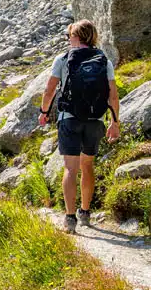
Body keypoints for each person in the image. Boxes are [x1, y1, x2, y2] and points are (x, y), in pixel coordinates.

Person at [38, 20, 121, 233]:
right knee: (87, 166)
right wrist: (114, 123)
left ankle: (70, 218)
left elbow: (49, 90)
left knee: (70, 168)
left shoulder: (64, 59)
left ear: (76, 36)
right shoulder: (103, 60)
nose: (68, 39)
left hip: (69, 118)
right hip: (95, 120)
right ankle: (85, 212)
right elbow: (113, 94)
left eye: (69, 36)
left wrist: (44, 112)